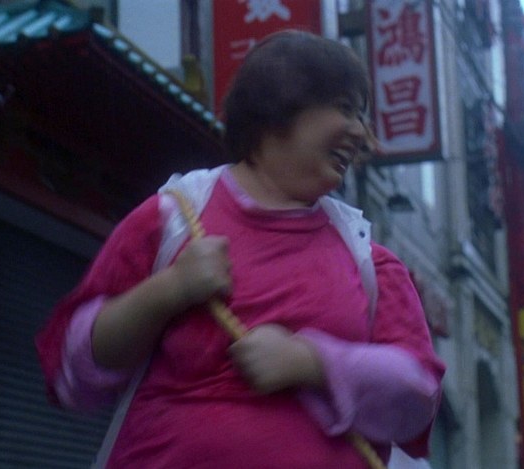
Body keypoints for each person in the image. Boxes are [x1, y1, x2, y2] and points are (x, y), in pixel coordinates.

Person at [36, 29, 445, 468]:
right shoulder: (171, 219)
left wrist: (313, 361)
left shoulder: (370, 261)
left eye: (361, 116)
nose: (361, 132)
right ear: (280, 105)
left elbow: (418, 395)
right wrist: (169, 290)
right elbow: (75, 366)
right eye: (346, 109)